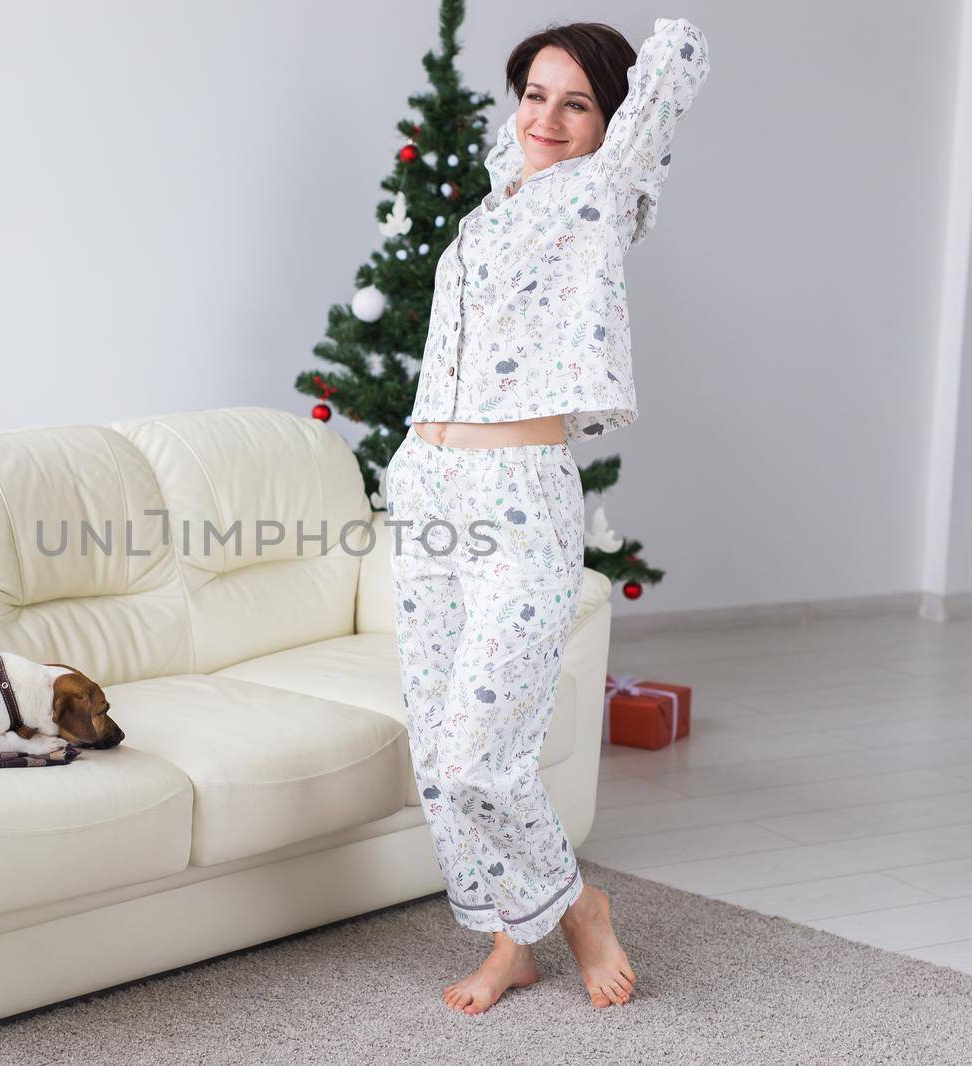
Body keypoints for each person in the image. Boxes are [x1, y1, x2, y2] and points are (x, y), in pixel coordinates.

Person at [385, 17, 711, 1015]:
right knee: (440, 754)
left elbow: (676, 60)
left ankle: (577, 909)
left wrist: (619, 101)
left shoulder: (598, 196)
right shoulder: (495, 202)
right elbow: (513, 142)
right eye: (533, 94)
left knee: (486, 749)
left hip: (518, 492)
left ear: (610, 122)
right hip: (426, 489)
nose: (547, 117)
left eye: (575, 102)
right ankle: (507, 937)